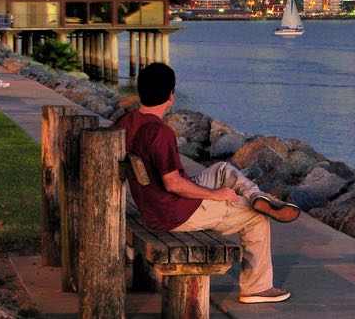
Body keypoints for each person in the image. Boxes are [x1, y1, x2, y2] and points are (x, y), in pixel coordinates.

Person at [115, 63, 299, 304]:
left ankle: (257, 196)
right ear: (171, 96)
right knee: (255, 218)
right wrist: (216, 195)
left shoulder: (127, 121)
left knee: (223, 169)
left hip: (153, 204)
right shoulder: (159, 132)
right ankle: (257, 288)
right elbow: (174, 184)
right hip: (173, 213)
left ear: (141, 92)